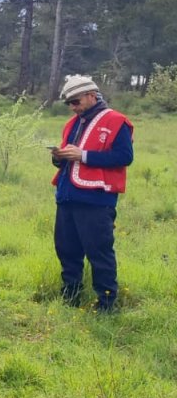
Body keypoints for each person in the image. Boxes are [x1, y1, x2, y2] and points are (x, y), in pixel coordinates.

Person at [51, 75, 134, 312]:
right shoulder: (72, 123)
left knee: (99, 252)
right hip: (67, 195)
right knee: (67, 250)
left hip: (96, 199)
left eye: (76, 101)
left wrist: (83, 156)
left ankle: (107, 304)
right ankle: (70, 297)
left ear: (91, 95)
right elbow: (67, 160)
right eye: (69, 103)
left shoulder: (117, 121)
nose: (72, 107)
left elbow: (125, 157)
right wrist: (58, 157)